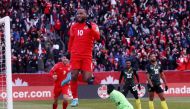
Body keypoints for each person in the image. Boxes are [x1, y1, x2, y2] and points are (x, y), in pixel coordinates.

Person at [66, 8, 100, 107]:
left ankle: (73, 77)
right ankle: (75, 99)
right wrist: (69, 51)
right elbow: (71, 40)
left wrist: (91, 28)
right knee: (74, 75)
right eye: (77, 14)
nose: (79, 15)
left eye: (81, 13)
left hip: (87, 56)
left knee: (87, 79)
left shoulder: (92, 25)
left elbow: (98, 37)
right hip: (75, 55)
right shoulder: (73, 26)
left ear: (86, 14)